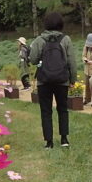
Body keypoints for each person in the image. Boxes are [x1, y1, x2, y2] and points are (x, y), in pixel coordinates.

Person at [28, 12, 76, 149]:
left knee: (46, 111)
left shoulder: (39, 40)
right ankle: (64, 139)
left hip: (44, 81)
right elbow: (72, 61)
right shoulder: (66, 39)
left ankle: (49, 142)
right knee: (63, 109)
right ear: (61, 23)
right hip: (62, 80)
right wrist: (72, 79)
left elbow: (33, 60)